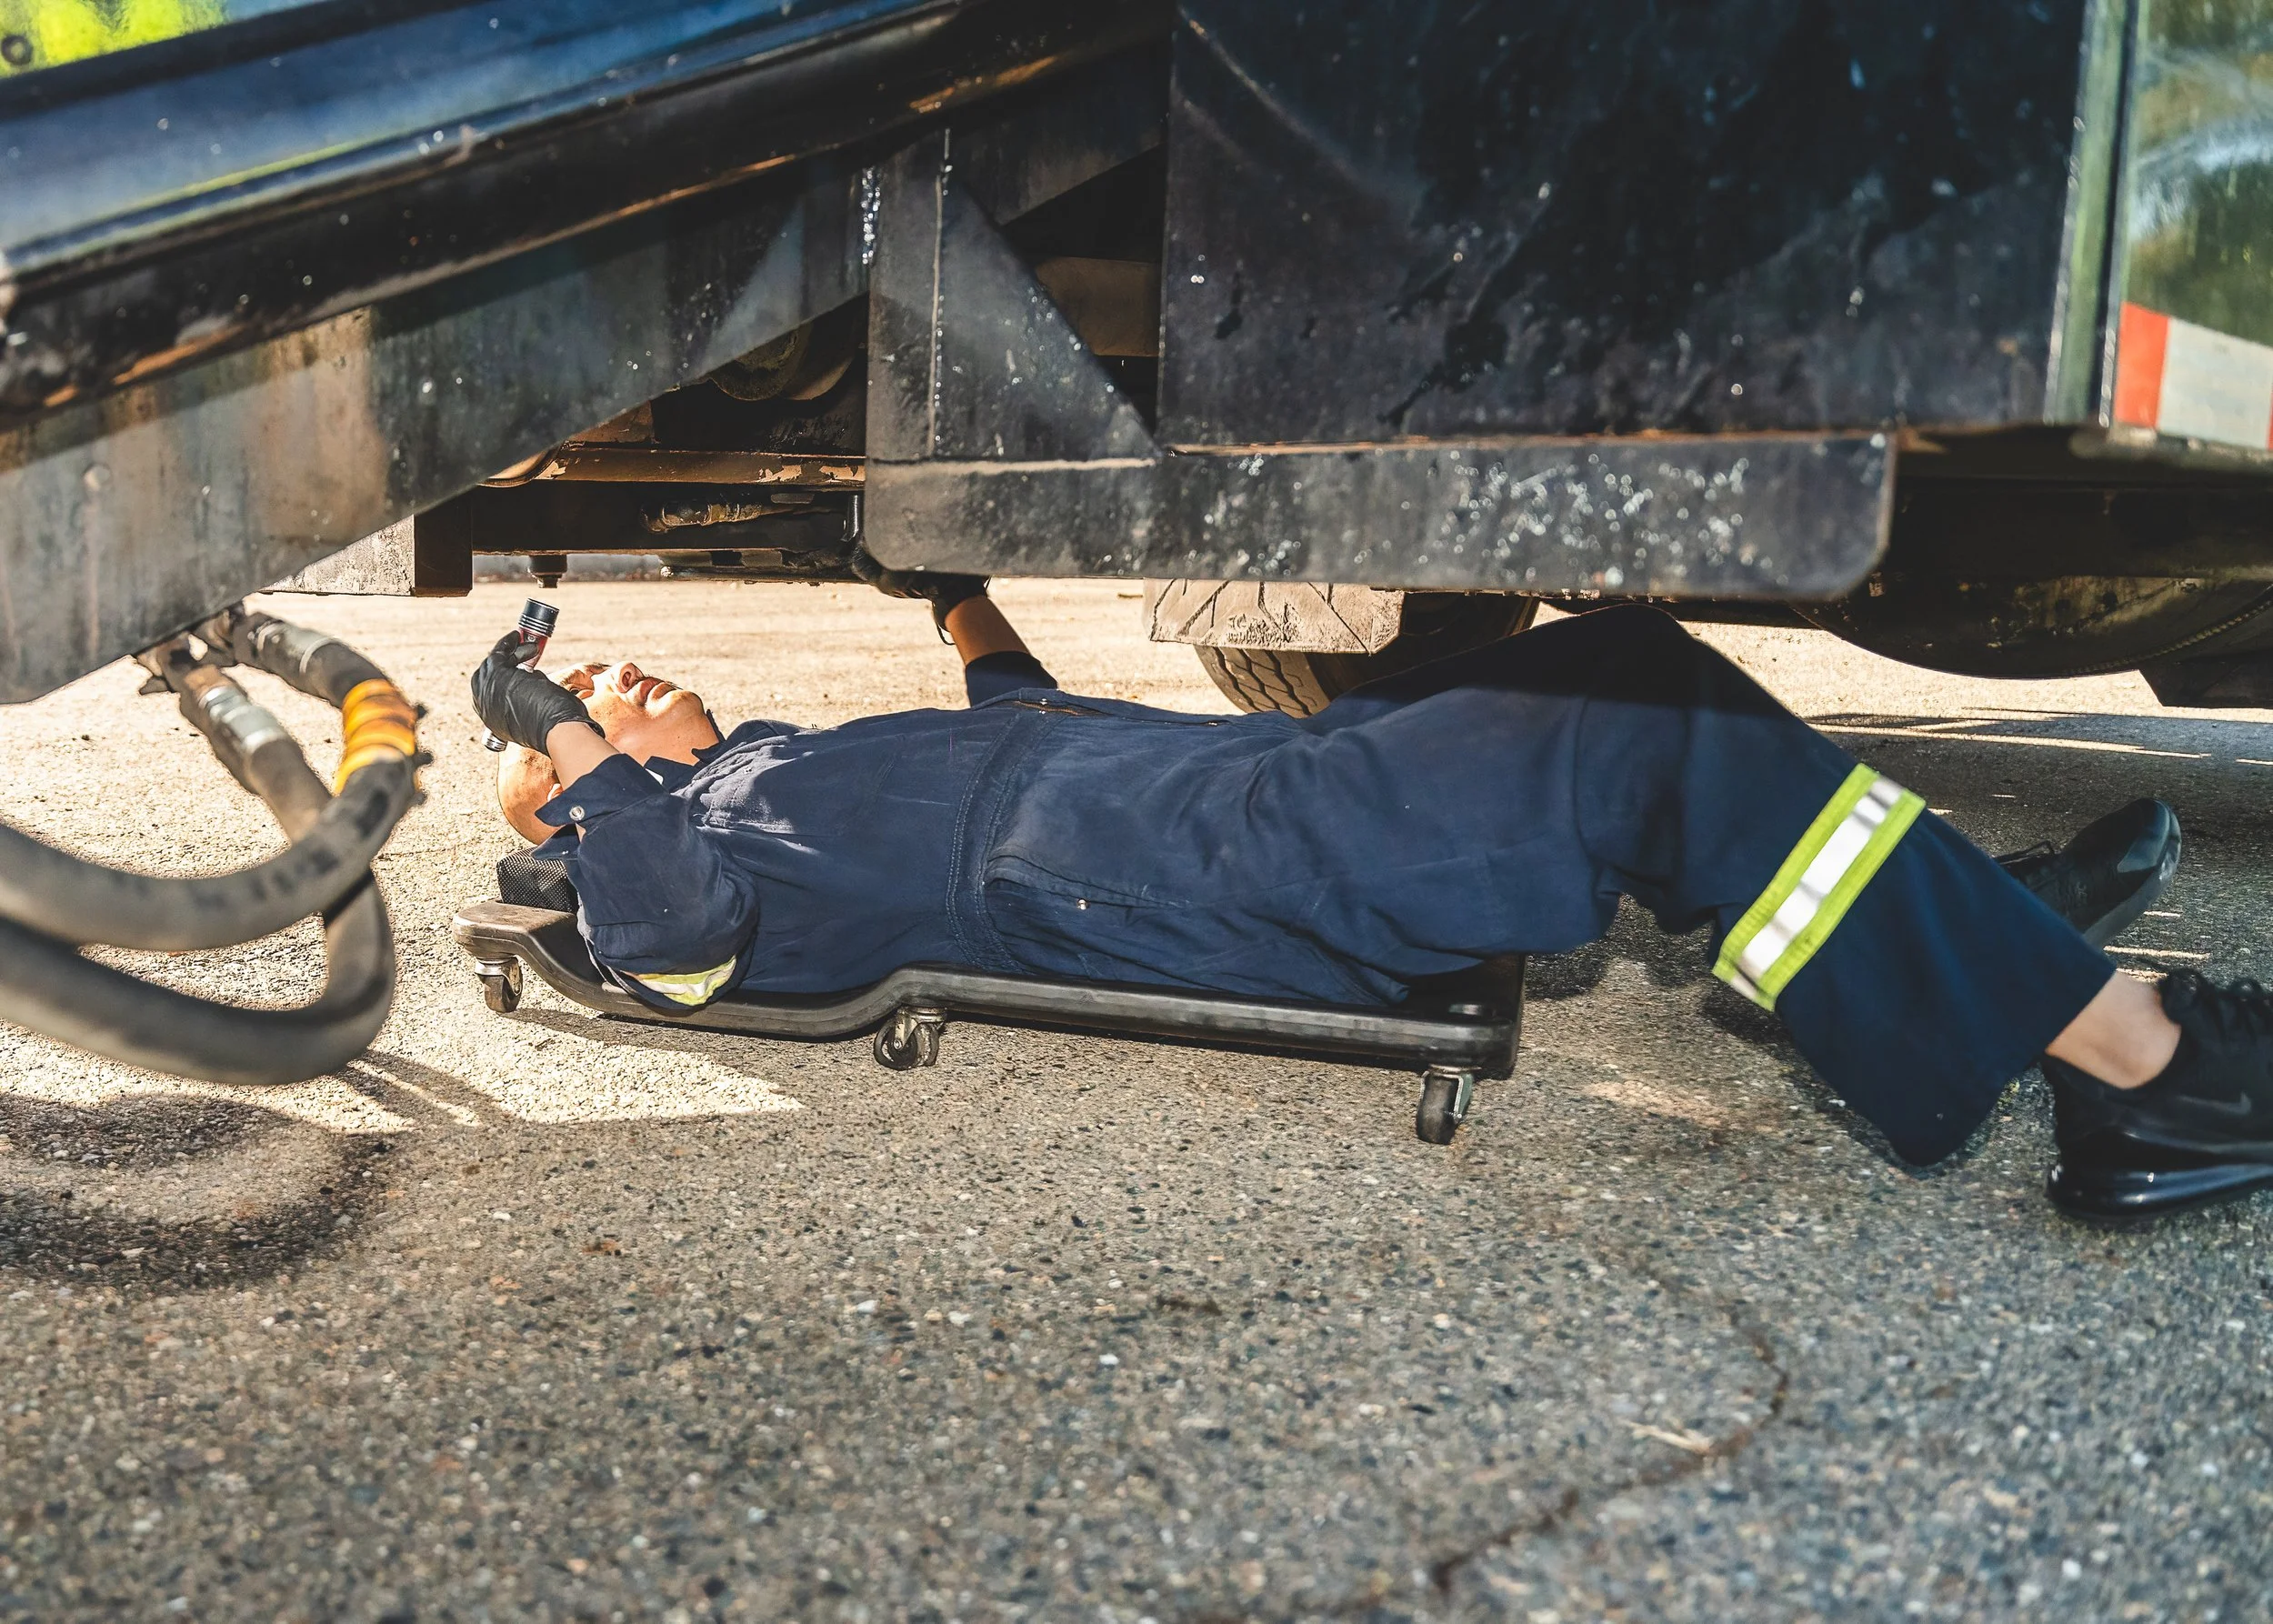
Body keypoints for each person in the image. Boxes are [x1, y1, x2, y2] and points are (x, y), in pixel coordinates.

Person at [474, 560, 2271, 1223]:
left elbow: (1016, 718)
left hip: (1193, 786)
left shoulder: (766, 759)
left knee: (1617, 660)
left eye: (611, 686)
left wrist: (954, 603)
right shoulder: (680, 846)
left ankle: (1970, 925)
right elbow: (673, 951)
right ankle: (2140, 1070)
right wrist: (578, 754)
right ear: (573, 807)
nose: (612, 683)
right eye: (584, 721)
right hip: (1177, 873)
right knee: (1634, 725)